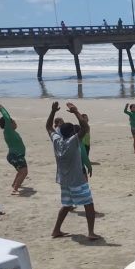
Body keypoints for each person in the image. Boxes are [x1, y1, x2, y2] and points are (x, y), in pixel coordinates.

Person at [45, 101, 99, 240]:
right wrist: (75, 111)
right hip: (77, 180)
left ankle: (56, 230)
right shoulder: (73, 142)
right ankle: (91, 232)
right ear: (72, 133)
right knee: (89, 204)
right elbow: (85, 127)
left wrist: (52, 111)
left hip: (63, 180)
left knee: (67, 205)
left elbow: (48, 127)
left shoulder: (57, 140)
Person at [0, 102, 28, 195]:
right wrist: (0, 107)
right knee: (24, 172)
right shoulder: (8, 131)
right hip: (15, 156)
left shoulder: (11, 132)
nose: (16, 123)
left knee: (20, 171)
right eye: (14, 122)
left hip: (16, 155)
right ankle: (15, 189)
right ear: (9, 124)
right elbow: (6, 116)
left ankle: (14, 184)